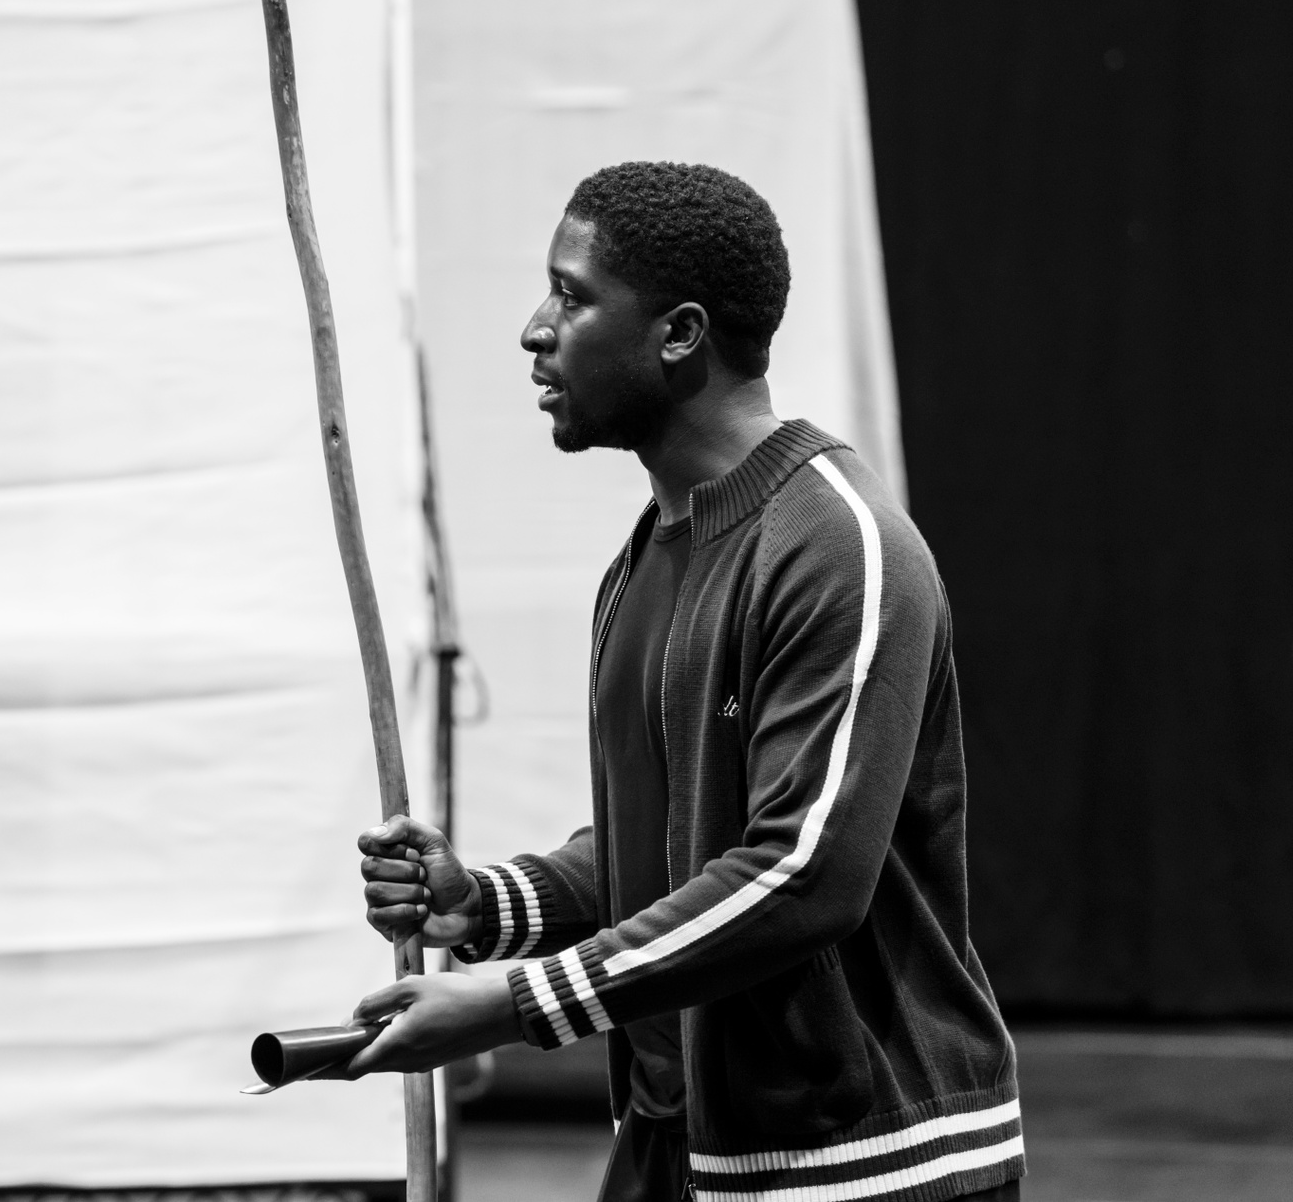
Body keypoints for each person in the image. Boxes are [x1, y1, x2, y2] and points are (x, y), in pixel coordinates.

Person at [345, 163, 1024, 1202]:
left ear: (677, 335)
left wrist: (520, 1003)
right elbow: (669, 848)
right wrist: (483, 904)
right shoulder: (642, 563)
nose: (534, 329)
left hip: (858, 1168)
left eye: (569, 295)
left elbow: (798, 876)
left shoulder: (835, 545)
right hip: (675, 1150)